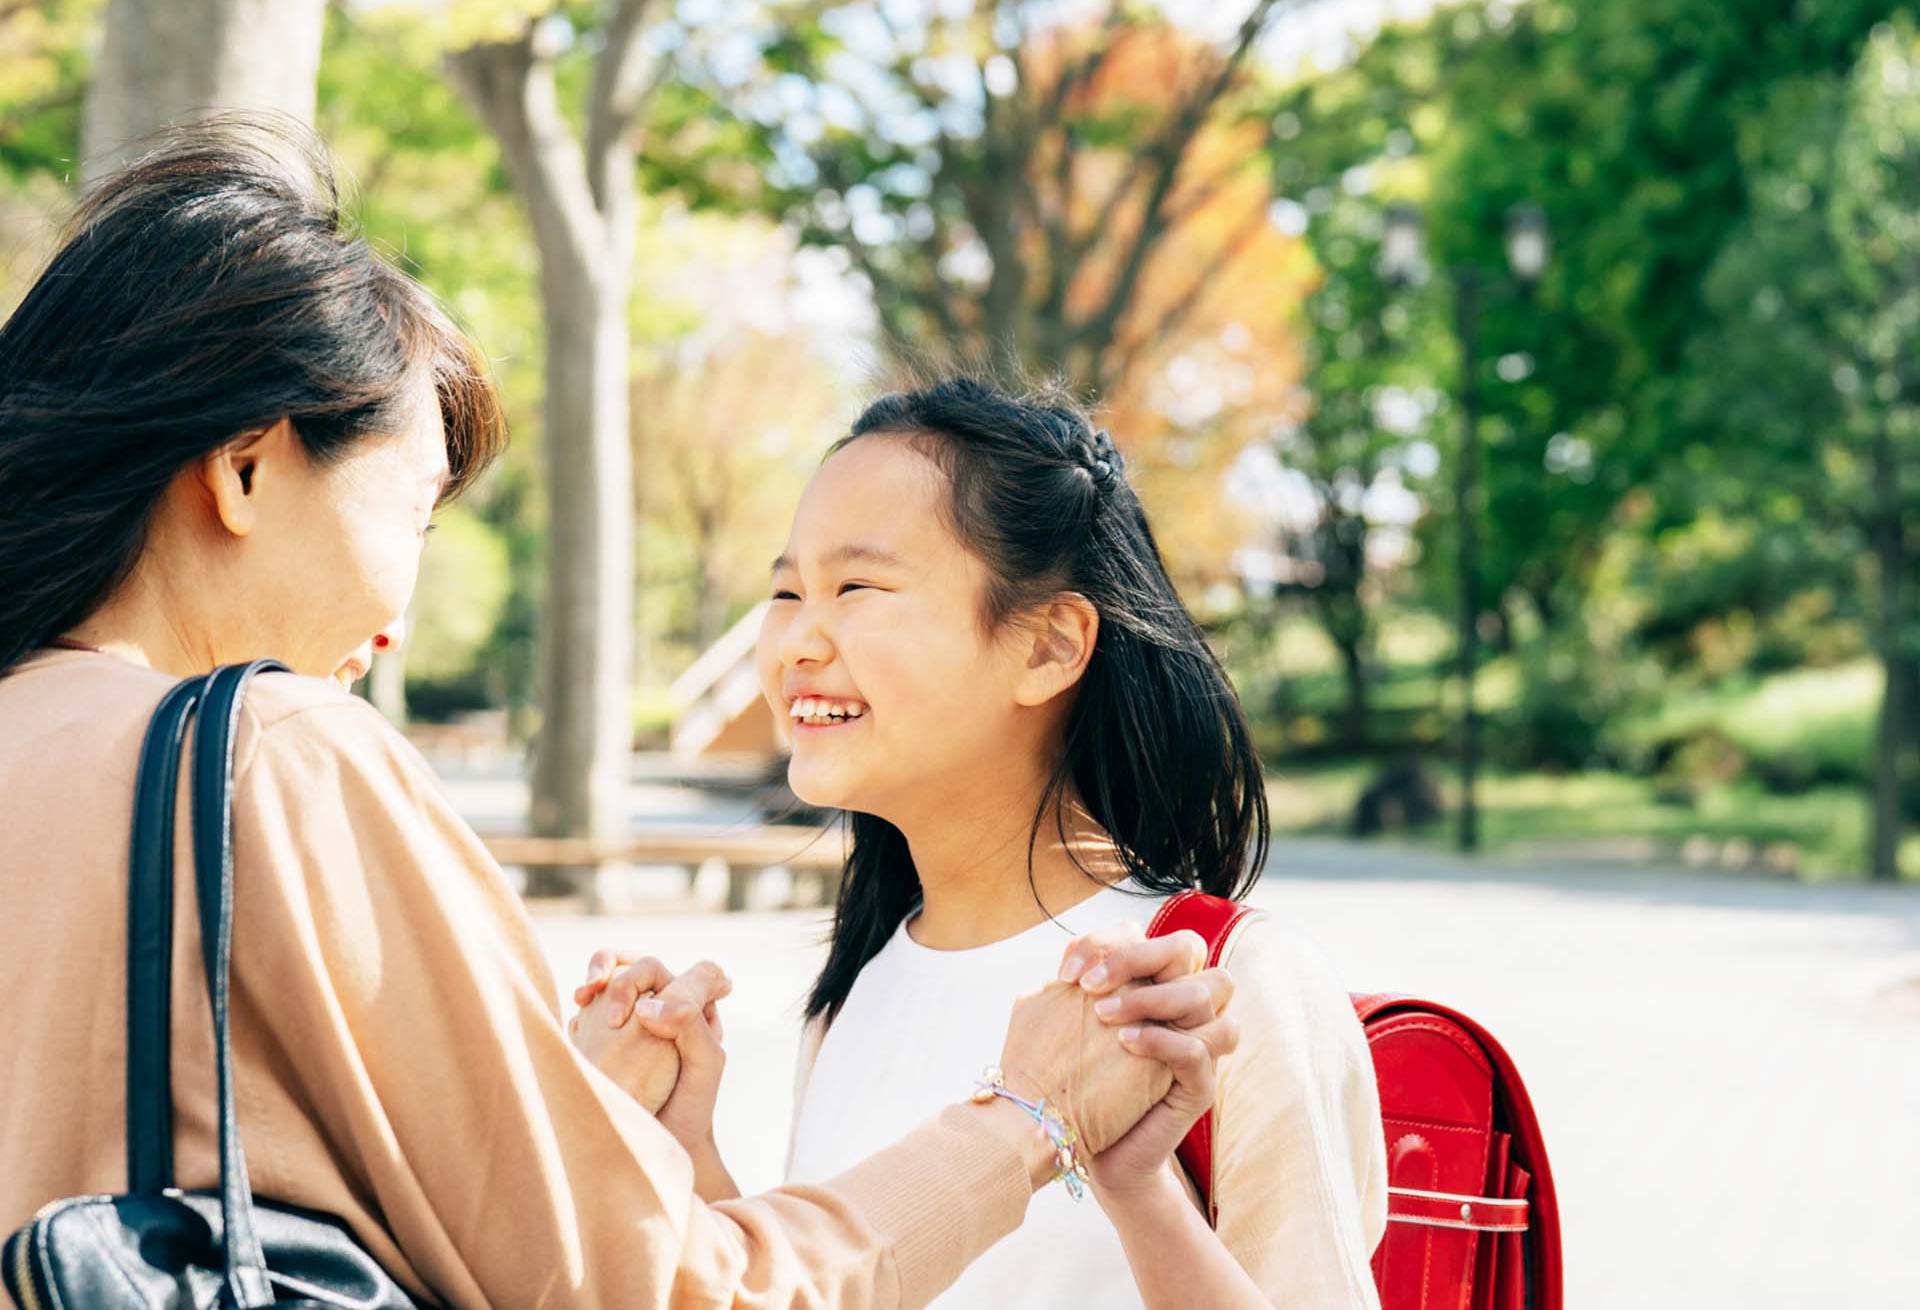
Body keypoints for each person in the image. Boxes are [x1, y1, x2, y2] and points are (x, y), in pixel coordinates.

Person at [0, 117, 1238, 1309]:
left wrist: (549, 1118)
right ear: (247, 466)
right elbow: (675, 1297)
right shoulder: (270, 758)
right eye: (414, 511)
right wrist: (1028, 1116)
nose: (404, 605)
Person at [582, 377, 1388, 1308]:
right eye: (785, 589)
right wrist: (684, 1148)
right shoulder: (855, 988)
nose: (797, 639)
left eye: (855, 586)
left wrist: (1136, 1188)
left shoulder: (1214, 984)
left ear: (1048, 647)